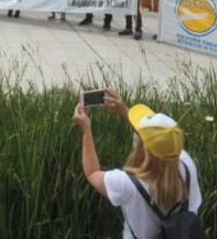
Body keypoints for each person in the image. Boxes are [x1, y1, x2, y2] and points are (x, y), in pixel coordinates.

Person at [73, 91, 201, 239]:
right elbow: (157, 144)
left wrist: (86, 130)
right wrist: (124, 110)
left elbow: (92, 172)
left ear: (141, 147)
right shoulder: (187, 163)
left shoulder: (126, 183)